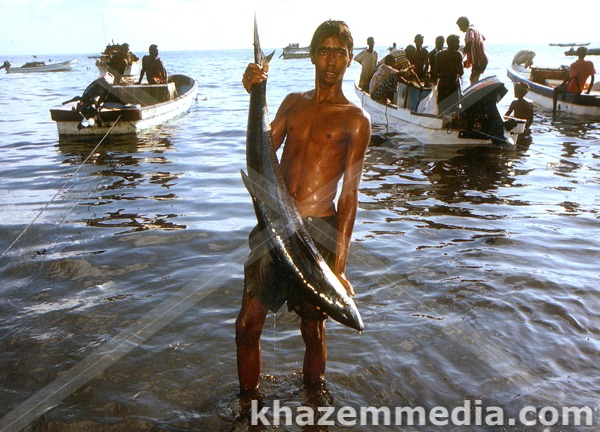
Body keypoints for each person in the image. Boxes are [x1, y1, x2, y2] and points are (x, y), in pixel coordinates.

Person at [236, 20, 371, 393]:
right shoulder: (293, 103)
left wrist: (339, 270)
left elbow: (349, 195)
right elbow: (263, 147)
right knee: (247, 326)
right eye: (324, 51)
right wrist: (253, 92)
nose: (331, 60)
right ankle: (249, 408)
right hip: (273, 223)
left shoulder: (356, 120)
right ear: (312, 56)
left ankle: (315, 407)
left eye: (340, 53)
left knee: (313, 330)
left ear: (349, 60)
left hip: (317, 230)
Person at [552, 46, 596, 116]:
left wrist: (561, 85)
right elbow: (593, 79)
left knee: (556, 90)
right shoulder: (590, 64)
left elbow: (571, 79)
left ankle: (554, 110)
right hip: (581, 88)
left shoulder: (574, 65)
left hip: (573, 89)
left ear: (577, 54)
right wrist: (588, 91)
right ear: (585, 54)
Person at [432, 34, 464, 115]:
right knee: (454, 109)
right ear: (454, 44)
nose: (459, 45)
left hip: (442, 84)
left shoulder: (439, 54)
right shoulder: (458, 55)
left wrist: (435, 83)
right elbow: (461, 72)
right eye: (458, 43)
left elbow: (435, 72)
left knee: (441, 109)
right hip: (453, 85)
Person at [456, 16, 488, 85]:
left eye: (460, 26)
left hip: (479, 59)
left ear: (464, 24)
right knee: (473, 78)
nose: (460, 29)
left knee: (473, 79)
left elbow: (469, 43)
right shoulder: (475, 29)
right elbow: (483, 38)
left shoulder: (469, 30)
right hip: (481, 58)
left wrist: (460, 55)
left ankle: (477, 93)